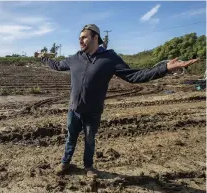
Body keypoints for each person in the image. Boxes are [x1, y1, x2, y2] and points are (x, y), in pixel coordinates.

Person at [40, 24, 199, 178]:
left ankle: (88, 166)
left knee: (89, 140)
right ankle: (65, 162)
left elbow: (134, 76)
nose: (80, 41)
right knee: (71, 137)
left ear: (96, 37)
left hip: (93, 111)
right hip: (74, 109)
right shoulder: (75, 58)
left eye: (84, 37)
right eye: (79, 38)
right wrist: (43, 58)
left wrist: (164, 68)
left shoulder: (110, 59)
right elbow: (57, 65)